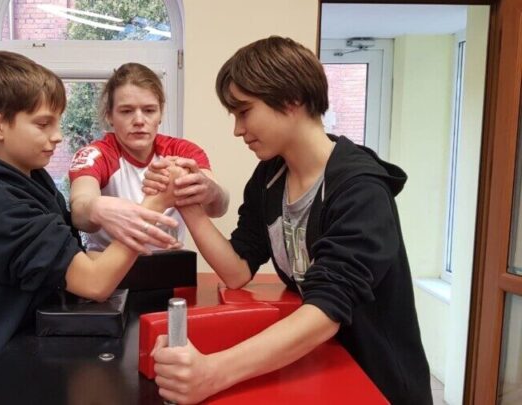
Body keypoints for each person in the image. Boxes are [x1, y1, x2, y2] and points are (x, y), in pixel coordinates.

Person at [147, 36, 432, 405]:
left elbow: (327, 309)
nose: (237, 129)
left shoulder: (360, 190)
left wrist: (211, 372)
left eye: (244, 111)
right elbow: (237, 270)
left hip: (377, 382)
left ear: (291, 99)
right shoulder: (271, 176)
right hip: (319, 367)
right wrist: (187, 201)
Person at [0, 51, 181, 405]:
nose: (58, 136)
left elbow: (71, 259)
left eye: (57, 123)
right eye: (43, 124)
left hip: (29, 353)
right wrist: (155, 201)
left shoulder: (33, 180)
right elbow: (93, 282)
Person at [68, 62, 229, 255]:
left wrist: (212, 191)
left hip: (167, 263)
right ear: (109, 115)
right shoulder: (95, 155)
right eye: (126, 111)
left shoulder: (183, 151)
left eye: (149, 110)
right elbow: (80, 210)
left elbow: (217, 209)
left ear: (160, 113)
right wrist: (95, 208)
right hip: (107, 263)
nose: (139, 120)